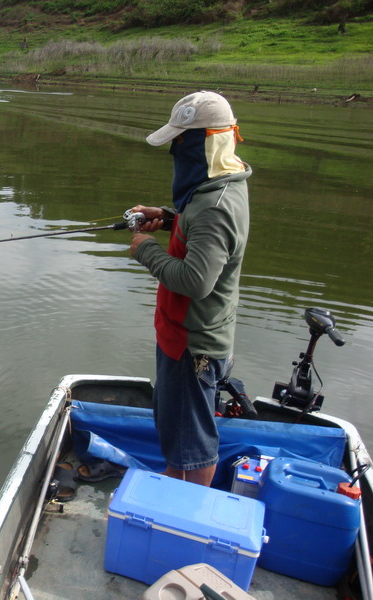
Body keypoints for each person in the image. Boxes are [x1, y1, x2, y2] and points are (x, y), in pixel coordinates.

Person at [128, 91, 251, 487]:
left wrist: (146, 250)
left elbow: (197, 282)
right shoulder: (217, 187)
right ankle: (172, 484)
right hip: (186, 334)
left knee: (193, 444)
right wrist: (168, 218)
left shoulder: (215, 205)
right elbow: (201, 231)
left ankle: (186, 515)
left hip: (192, 343)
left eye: (180, 142)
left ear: (202, 143)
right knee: (178, 433)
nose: (175, 152)